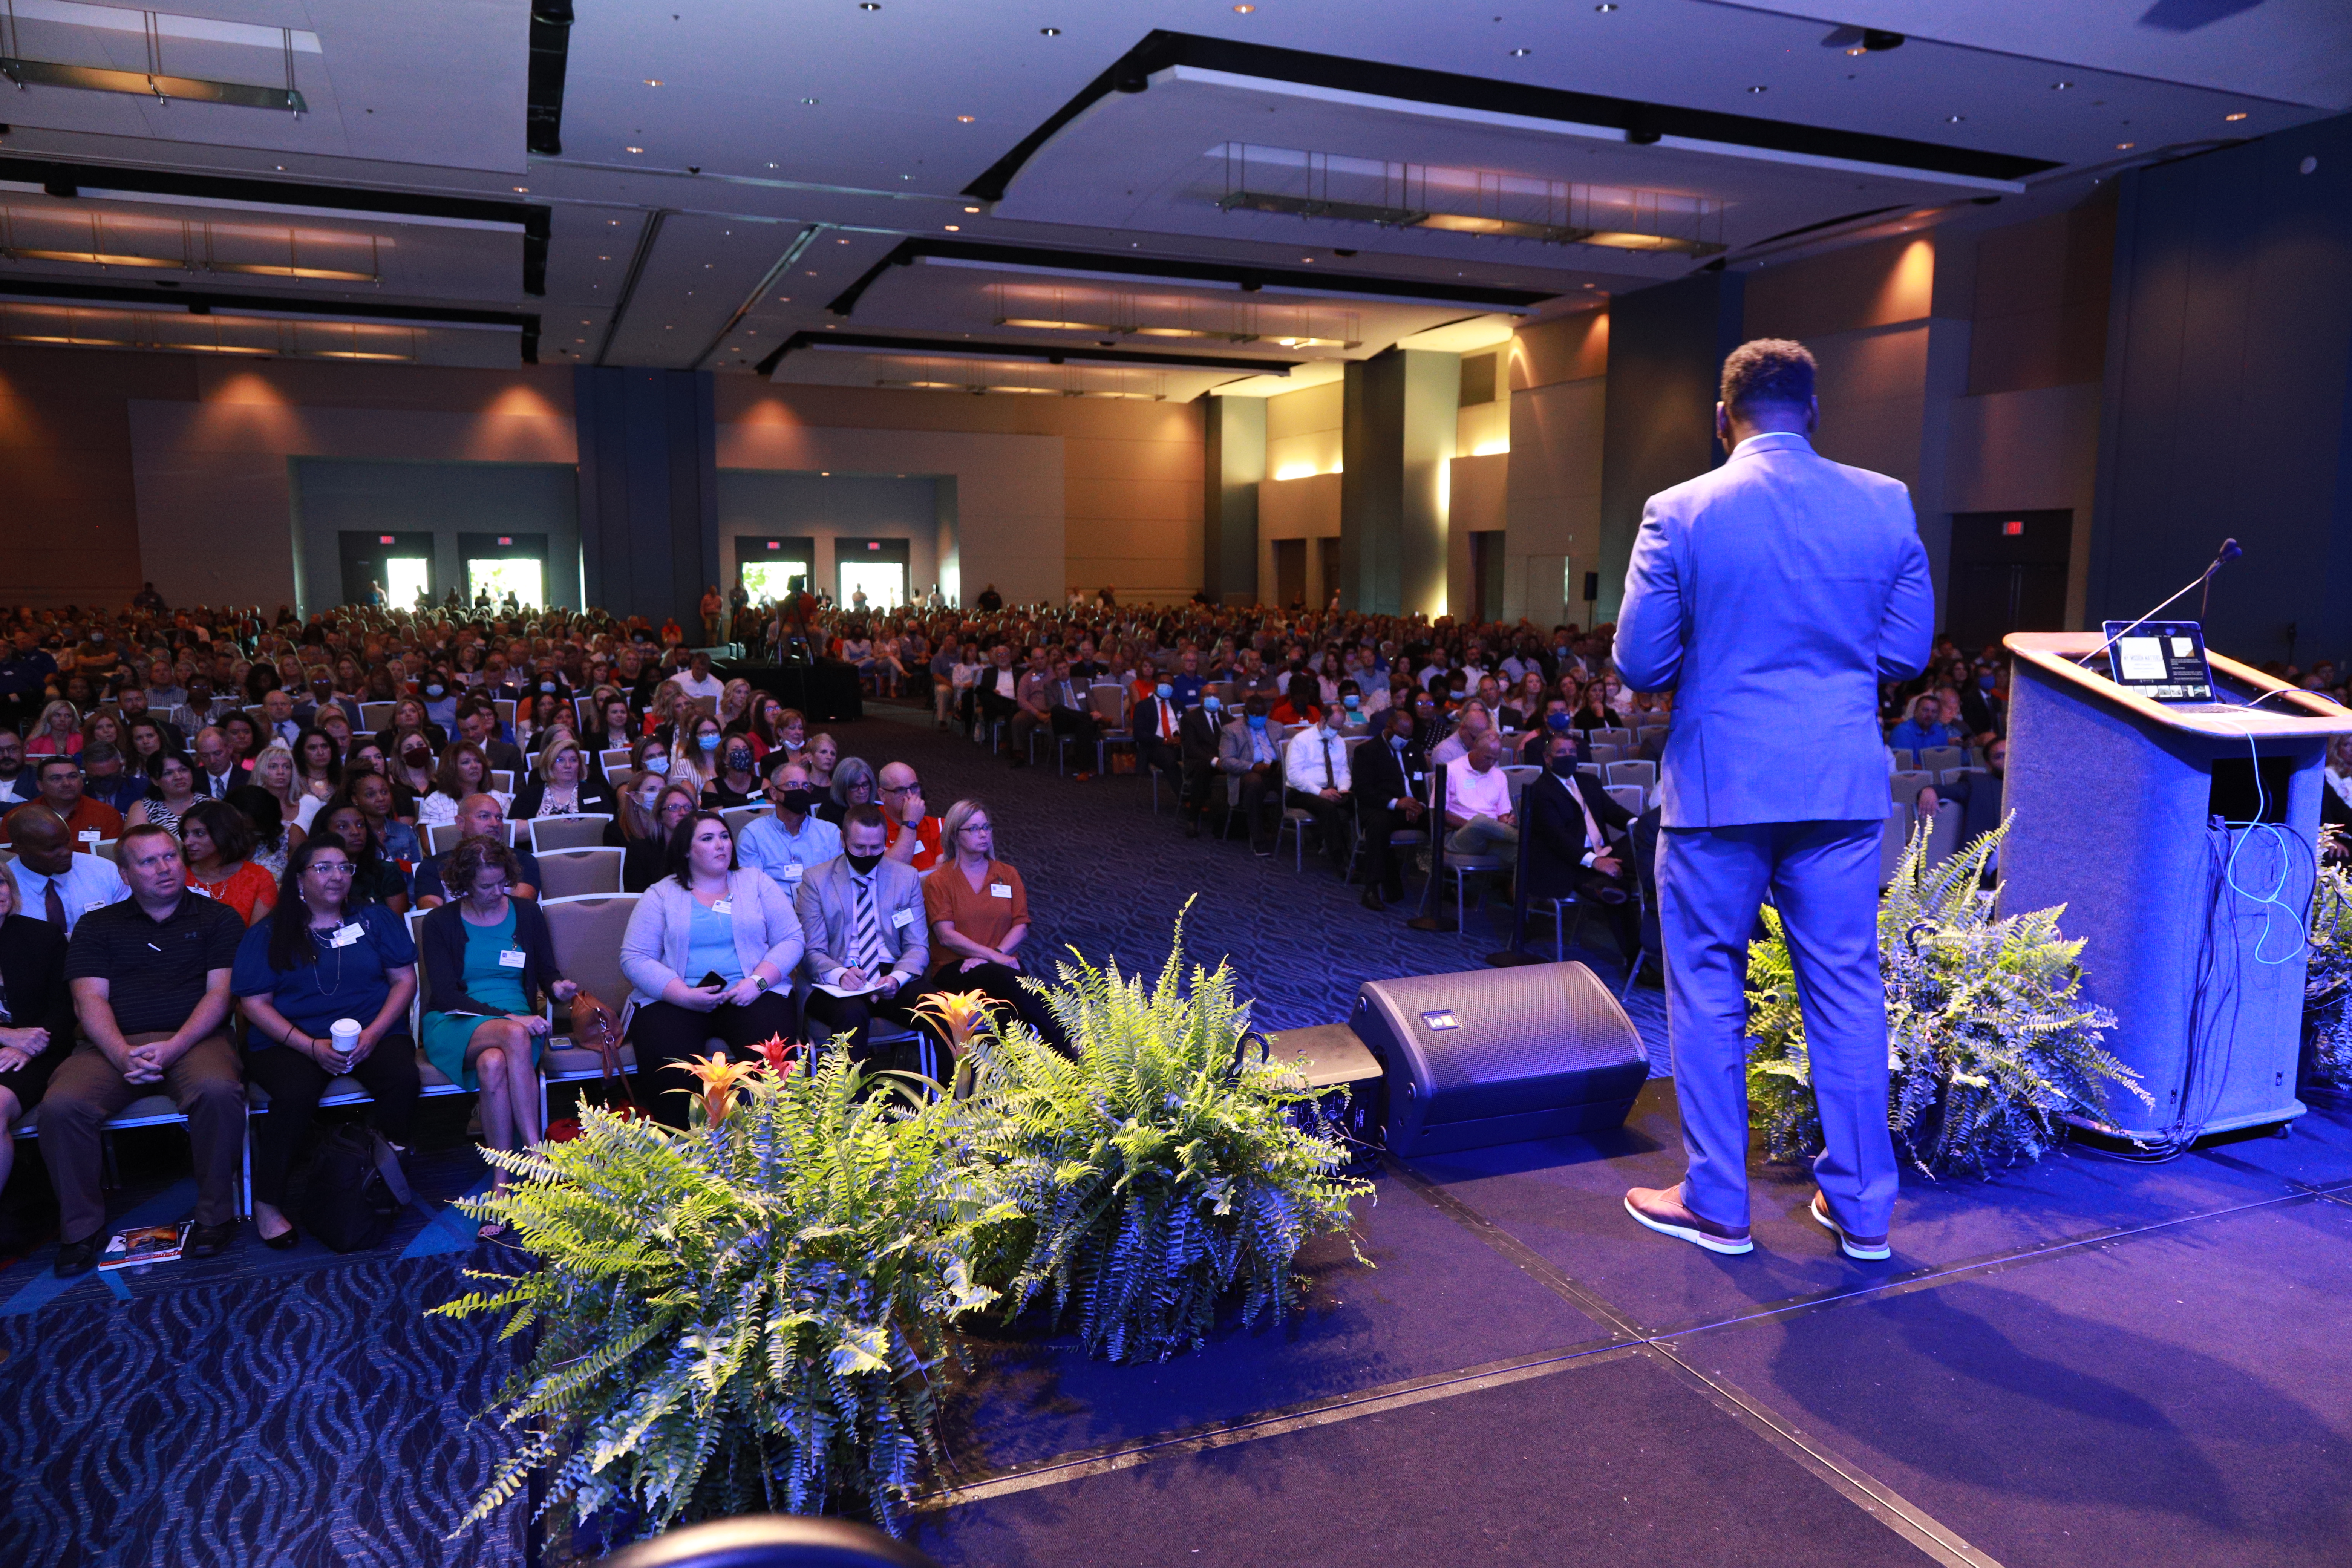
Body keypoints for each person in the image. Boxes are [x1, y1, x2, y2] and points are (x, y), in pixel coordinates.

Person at [1614, 337, 1932, 1262]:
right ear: (1814, 411)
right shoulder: (1884, 502)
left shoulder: (1679, 509)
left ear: (1724, 418)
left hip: (1720, 784)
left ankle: (1717, 1201)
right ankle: (1863, 1208)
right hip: (1836, 780)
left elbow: (1639, 663)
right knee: (1844, 990)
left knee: (1707, 987)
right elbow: (1906, 654)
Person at [43, 824, 248, 1273]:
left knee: (218, 1091)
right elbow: (89, 998)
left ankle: (216, 1215)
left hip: (194, 1038)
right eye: (149, 861)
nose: (165, 868)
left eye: (170, 857)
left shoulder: (219, 918)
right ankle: (79, 1229)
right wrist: (120, 1053)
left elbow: (220, 996)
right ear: (126, 873)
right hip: (111, 1044)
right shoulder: (97, 925)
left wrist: (174, 1046)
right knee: (61, 1106)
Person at [231, 834, 421, 1248]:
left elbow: (405, 980)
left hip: (372, 1030)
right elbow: (254, 1004)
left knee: (402, 1077)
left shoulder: (375, 919)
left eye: (345, 867)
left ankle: (382, 1172)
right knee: (295, 1094)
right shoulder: (269, 933)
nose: (338, 875)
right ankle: (268, 1202)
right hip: (289, 1039)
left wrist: (373, 1035)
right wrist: (311, 1047)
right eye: (324, 867)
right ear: (299, 878)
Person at [418, 836, 581, 1237]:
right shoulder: (441, 921)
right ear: (463, 883)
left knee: (494, 1064)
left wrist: (558, 987)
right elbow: (444, 992)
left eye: (500, 883)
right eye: (485, 886)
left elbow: (546, 969)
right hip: (458, 1020)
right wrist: (511, 1017)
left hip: (519, 1024)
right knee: (511, 1035)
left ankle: (502, 1182)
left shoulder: (526, 912)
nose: (495, 893)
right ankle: (535, 1151)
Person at [619, 810, 802, 1128]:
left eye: (724, 836)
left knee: (772, 1056)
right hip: (677, 999)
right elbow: (634, 957)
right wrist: (683, 995)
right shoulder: (660, 894)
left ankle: (770, 1144)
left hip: (750, 993)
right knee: (669, 1065)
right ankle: (678, 1149)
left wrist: (757, 982)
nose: (721, 845)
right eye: (707, 839)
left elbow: (792, 939)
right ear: (687, 850)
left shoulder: (756, 882)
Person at [796, 804, 938, 1070]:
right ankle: (852, 1107)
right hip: (836, 975)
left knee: (940, 1008)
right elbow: (810, 951)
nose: (868, 854)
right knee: (852, 1015)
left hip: (890, 974)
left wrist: (897, 978)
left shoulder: (905, 878)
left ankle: (951, 1098)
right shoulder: (816, 880)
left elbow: (918, 946)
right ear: (844, 840)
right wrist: (840, 974)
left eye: (876, 848)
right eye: (859, 848)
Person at [922, 798, 1062, 1048]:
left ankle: (1031, 1072)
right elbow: (946, 936)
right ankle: (1066, 1041)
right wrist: (994, 958)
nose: (983, 835)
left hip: (1001, 963)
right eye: (974, 829)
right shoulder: (939, 880)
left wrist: (994, 956)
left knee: (1006, 1008)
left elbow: (1021, 925)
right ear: (955, 835)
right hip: (955, 969)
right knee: (1013, 981)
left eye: (987, 827)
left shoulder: (1007, 874)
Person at [1512, 729, 1639, 964]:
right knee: (1620, 889)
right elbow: (1557, 839)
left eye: (1572, 751)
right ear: (1547, 758)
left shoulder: (1589, 782)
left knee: (1642, 841)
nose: (1569, 756)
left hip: (1604, 853)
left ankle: (1605, 883)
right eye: (1562, 752)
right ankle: (1636, 959)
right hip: (1569, 861)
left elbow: (1614, 812)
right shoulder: (1540, 791)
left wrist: (1639, 826)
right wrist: (1596, 862)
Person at [0, 865, 74, 1207]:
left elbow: (65, 1010)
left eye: (0, 881)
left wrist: (28, 1047)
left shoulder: (43, 937)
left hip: (41, 1054)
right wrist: (6, 1036)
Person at [1351, 704, 1430, 911]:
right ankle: (1371, 889)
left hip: (1415, 809)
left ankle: (1444, 881)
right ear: (1389, 727)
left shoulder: (1414, 750)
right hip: (1383, 807)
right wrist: (1397, 803)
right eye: (1401, 735)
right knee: (1379, 825)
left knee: (1440, 820)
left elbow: (1424, 783)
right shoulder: (1367, 751)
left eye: (1408, 736)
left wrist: (1419, 805)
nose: (1404, 740)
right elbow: (1363, 790)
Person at [737, 755, 843, 895]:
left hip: (821, 910)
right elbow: (753, 891)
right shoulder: (753, 835)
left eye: (806, 786)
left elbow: (839, 884)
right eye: (792, 785)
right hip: (774, 913)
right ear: (774, 793)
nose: (800, 791)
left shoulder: (829, 833)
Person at [412, 794, 541, 906]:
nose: (495, 824)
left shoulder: (522, 860)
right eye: (484, 816)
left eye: (499, 818)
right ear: (461, 823)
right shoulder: (433, 866)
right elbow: (430, 910)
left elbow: (522, 905)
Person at [180, 797, 279, 925]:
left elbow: (258, 937)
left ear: (224, 833)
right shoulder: (179, 876)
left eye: (199, 834)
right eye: (186, 834)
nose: (188, 842)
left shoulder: (258, 878)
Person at [1280, 702, 1354, 873]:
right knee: (1327, 808)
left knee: (1357, 801)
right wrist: (1321, 792)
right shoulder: (1302, 740)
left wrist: (1343, 790)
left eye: (1339, 728)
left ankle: (1361, 854)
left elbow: (1344, 771)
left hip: (1332, 789)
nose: (1336, 732)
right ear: (1322, 720)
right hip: (1301, 792)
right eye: (1334, 727)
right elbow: (1295, 776)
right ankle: (1340, 862)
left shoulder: (1339, 742)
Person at [1915, 737, 2009, 871]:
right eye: (2000, 756)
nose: (2007, 760)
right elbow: (1945, 791)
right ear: (1989, 764)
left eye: (2011, 754)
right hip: (1996, 862)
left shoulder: (2040, 787)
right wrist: (1929, 790)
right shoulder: (1978, 784)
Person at [311, 795, 413, 913]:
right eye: (343, 827)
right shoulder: (313, 875)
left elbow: (396, 926)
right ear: (325, 833)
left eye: (361, 825)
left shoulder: (386, 872)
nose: (356, 832)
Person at [5, 755, 124, 848]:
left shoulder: (107, 815)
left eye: (73, 777)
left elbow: (112, 862)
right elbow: (7, 862)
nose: (67, 784)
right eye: (56, 778)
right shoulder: (17, 819)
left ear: (82, 781)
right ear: (40, 786)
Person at [1215, 695, 1283, 853]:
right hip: (1246, 774)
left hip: (1274, 771)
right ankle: (1259, 840)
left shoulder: (1277, 727)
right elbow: (1226, 761)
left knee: (1295, 784)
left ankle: (1307, 834)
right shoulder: (1232, 730)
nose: (1259, 718)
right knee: (1254, 782)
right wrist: (1253, 767)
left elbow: (1286, 752)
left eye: (1263, 715)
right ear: (1246, 715)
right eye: (1255, 715)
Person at [1443, 728, 1519, 866]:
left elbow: (1503, 815)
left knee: (1523, 853)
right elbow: (1440, 815)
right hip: (1459, 836)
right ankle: (1526, 837)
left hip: (1492, 838)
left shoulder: (1499, 776)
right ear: (1475, 748)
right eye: (1488, 758)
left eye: (1495, 760)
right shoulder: (1450, 771)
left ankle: (1512, 887)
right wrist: (1476, 827)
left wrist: (1507, 821)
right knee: (1479, 822)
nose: (1491, 764)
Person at [511, 733, 617, 819]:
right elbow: (514, 832)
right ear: (549, 764)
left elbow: (610, 826)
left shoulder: (595, 792)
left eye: (573, 760)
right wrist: (548, 825)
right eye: (560, 760)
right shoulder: (529, 795)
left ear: (580, 765)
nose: (568, 765)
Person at [625, 781, 700, 892]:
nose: (683, 812)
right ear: (660, 816)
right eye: (674, 808)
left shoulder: (704, 846)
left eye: (689, 807)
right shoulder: (640, 851)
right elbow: (638, 897)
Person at [877, 761, 941, 870]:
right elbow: (891, 871)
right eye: (901, 790)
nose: (910, 795)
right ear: (883, 795)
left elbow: (947, 871)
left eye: (914, 787)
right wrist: (911, 822)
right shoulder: (869, 826)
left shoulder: (939, 826)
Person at [126, 749, 201, 838]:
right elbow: (134, 847)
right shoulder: (143, 809)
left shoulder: (209, 804)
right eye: (168, 773)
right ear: (155, 781)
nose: (178, 777)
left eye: (183, 770)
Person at [701, 733, 762, 810]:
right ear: (724, 758)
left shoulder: (762, 785)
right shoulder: (713, 788)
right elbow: (718, 820)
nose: (742, 753)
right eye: (735, 750)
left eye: (746, 749)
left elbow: (766, 817)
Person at [821, 755, 876, 827]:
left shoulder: (878, 810)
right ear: (842, 787)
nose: (862, 791)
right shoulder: (828, 812)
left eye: (865, 785)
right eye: (854, 786)